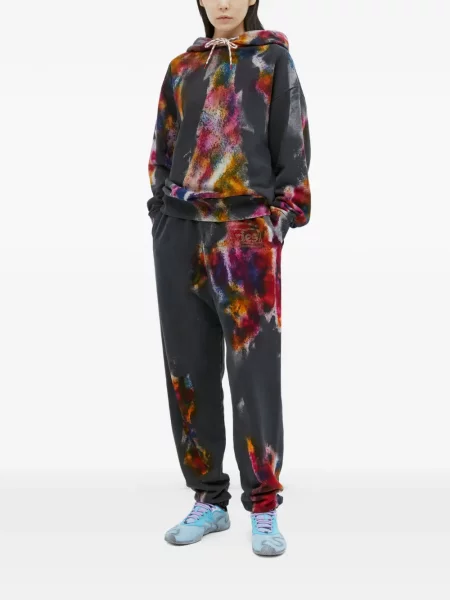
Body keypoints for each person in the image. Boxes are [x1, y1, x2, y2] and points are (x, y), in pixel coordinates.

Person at [147, 0, 311, 557]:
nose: (222, 2)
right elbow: (162, 146)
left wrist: (278, 221)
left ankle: (263, 507)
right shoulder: (182, 67)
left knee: (254, 372)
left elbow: (293, 145)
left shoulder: (273, 60)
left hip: (245, 235)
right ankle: (208, 499)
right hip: (179, 232)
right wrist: (161, 213)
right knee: (186, 368)